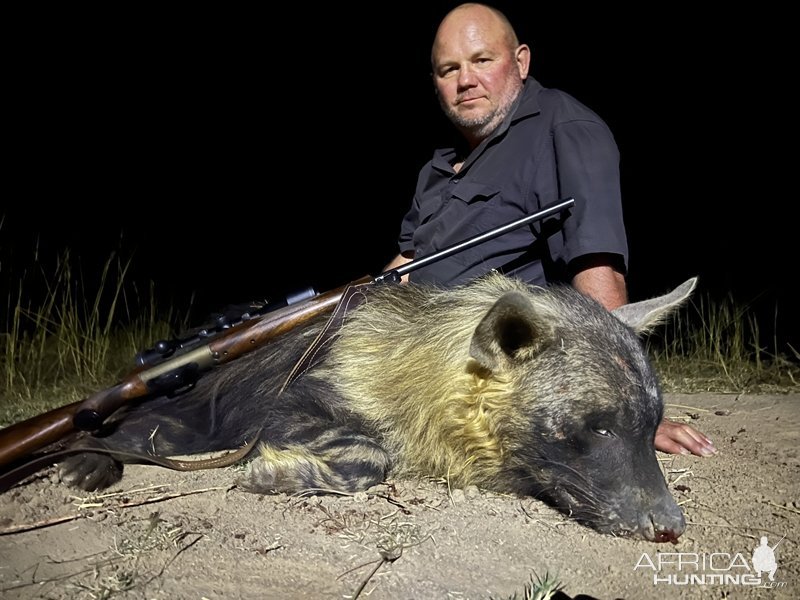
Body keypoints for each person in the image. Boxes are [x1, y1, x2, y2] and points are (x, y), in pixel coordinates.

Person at [384, 2, 716, 457]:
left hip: (479, 366)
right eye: (449, 69)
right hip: (405, 344)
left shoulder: (563, 127)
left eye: (482, 60)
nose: (465, 80)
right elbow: (404, 266)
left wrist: (622, 410)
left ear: (520, 61)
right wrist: (347, 308)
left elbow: (597, 269)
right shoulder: (437, 167)